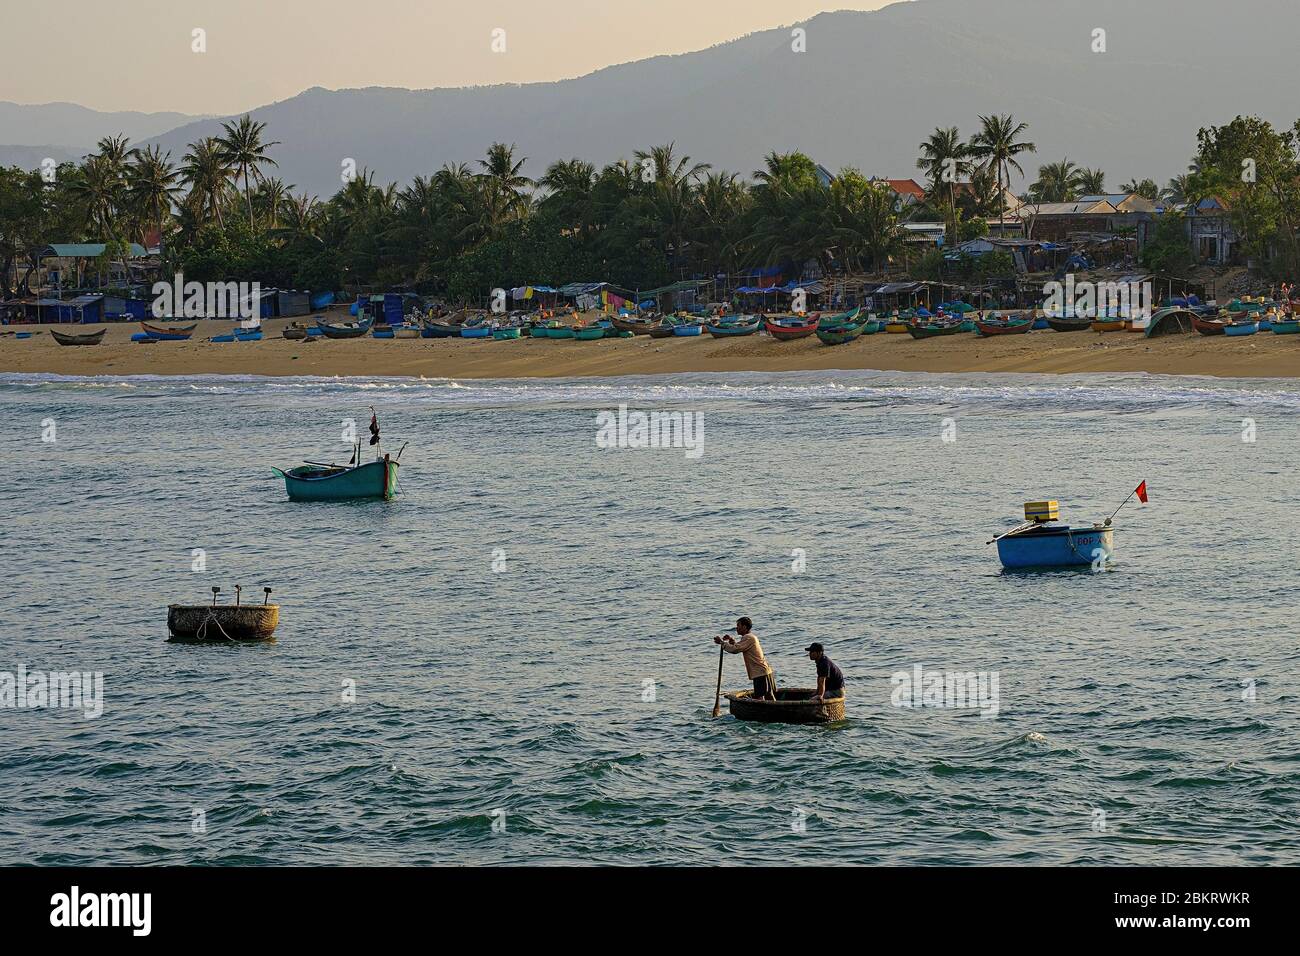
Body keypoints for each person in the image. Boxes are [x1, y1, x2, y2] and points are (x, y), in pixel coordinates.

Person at [715, 617, 775, 700]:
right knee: (769, 695)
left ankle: (764, 712)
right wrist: (732, 641)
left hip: (759, 672)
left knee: (760, 696)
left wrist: (722, 643)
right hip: (764, 670)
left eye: (738, 625)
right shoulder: (750, 637)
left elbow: (735, 649)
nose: (736, 628)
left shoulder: (748, 637)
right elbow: (739, 646)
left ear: (744, 627)